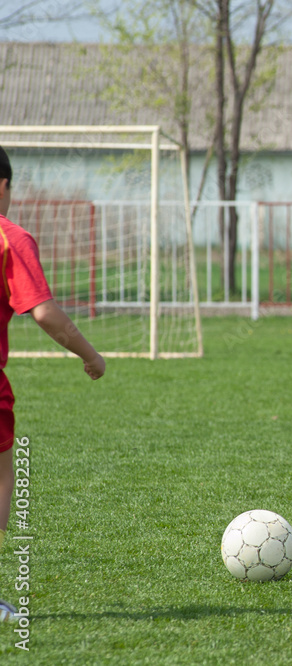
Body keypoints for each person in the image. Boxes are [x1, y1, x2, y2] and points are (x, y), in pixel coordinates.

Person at [0, 146, 106, 615]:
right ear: (4, 186)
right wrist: (90, 354)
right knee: (2, 478)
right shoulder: (9, 238)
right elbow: (43, 312)